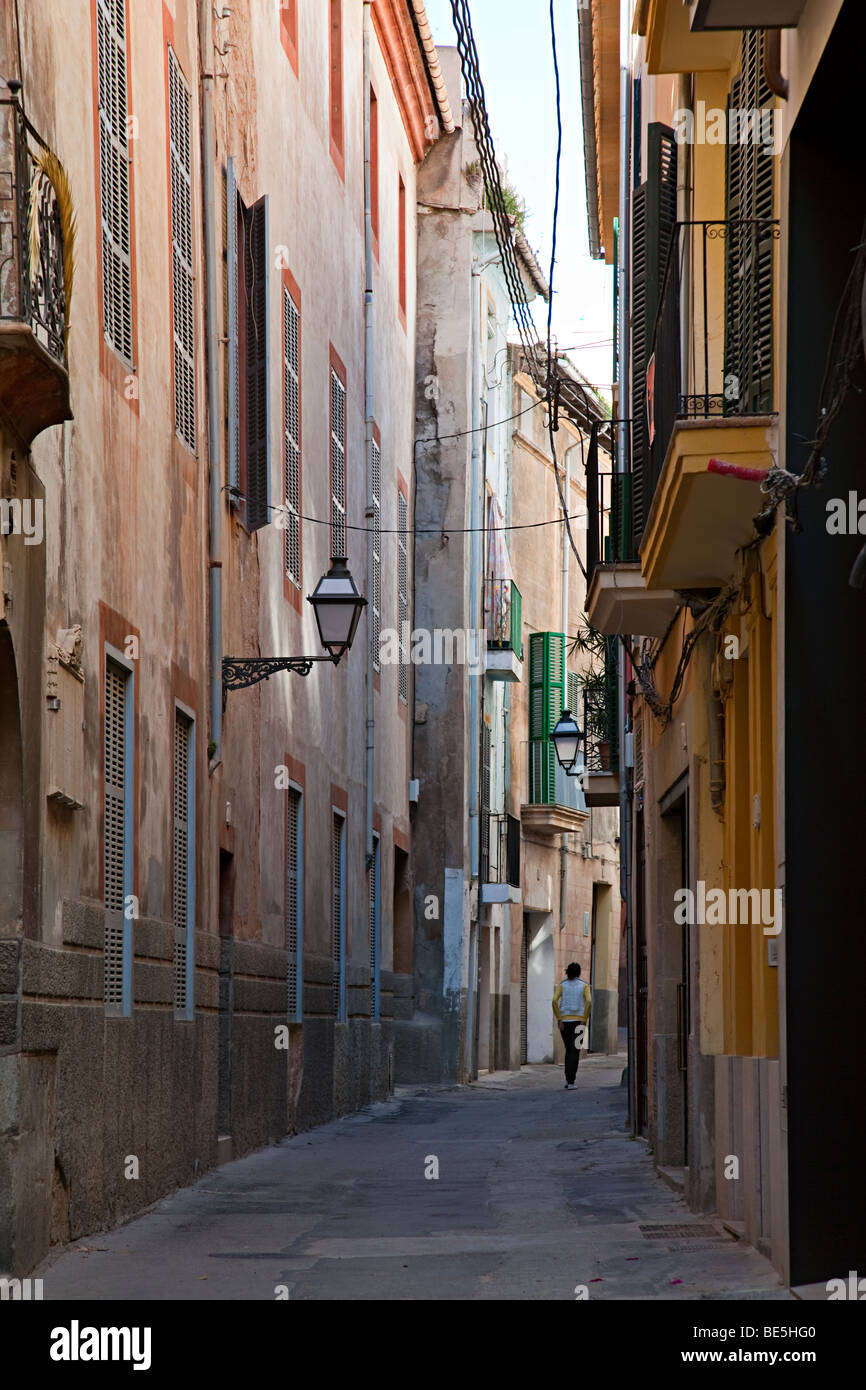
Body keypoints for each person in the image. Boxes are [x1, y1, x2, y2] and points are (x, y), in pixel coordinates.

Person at [552, 962, 591, 1089]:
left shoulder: (561, 985)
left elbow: (554, 1001)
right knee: (576, 1051)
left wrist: (559, 1019)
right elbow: (589, 1001)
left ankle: (568, 1079)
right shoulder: (584, 985)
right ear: (579, 973)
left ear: (567, 972)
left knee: (568, 1049)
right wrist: (584, 1019)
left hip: (565, 1022)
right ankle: (571, 1081)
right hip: (580, 1022)